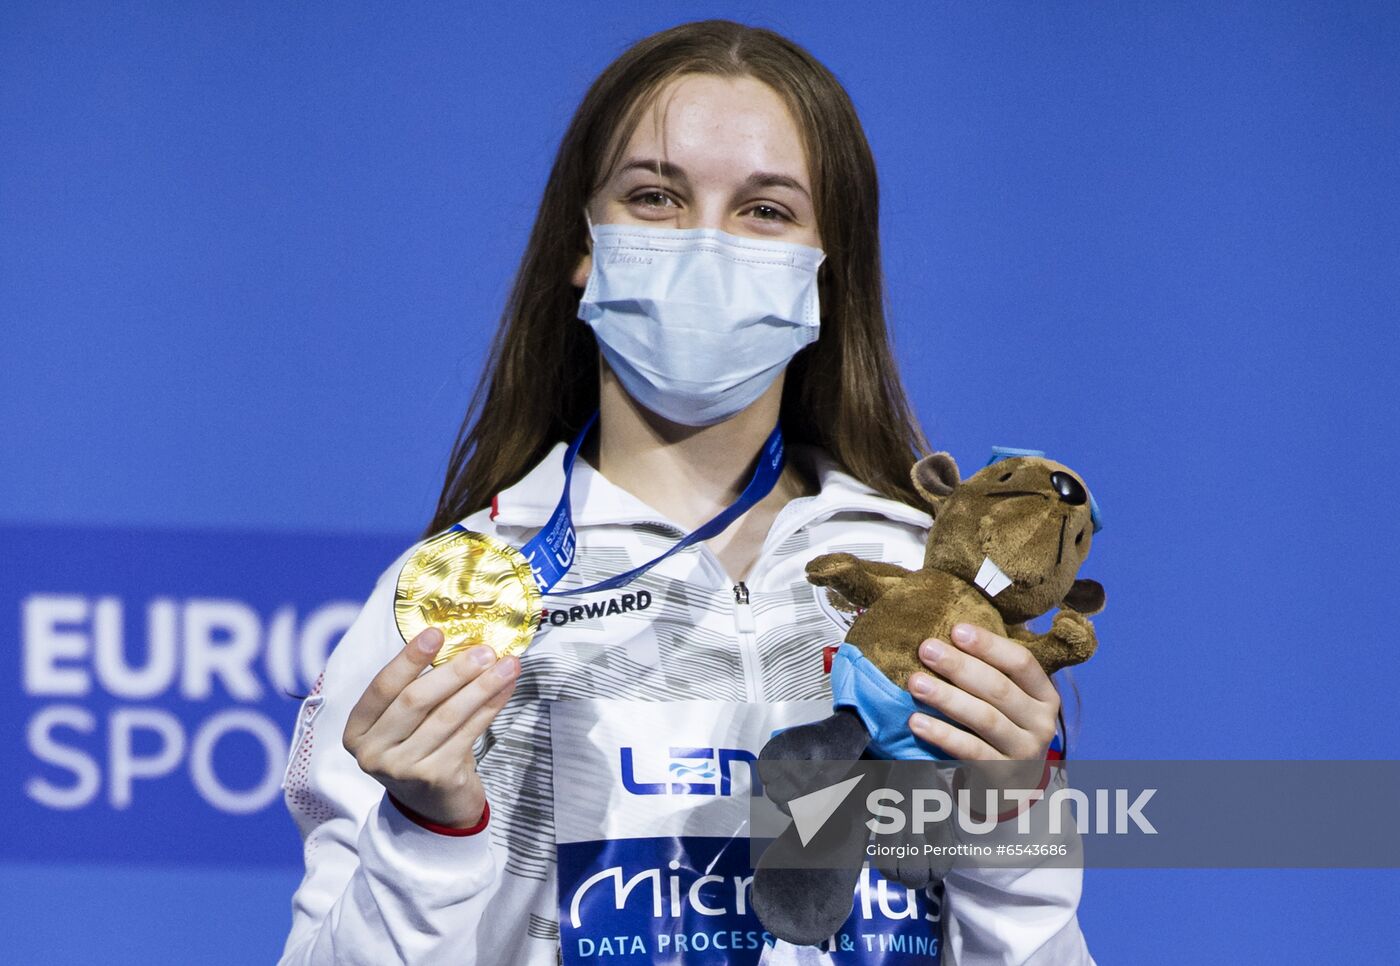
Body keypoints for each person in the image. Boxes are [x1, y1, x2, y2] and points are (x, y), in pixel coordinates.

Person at [279, 19, 1093, 965]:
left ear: (830, 270)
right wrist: (427, 831)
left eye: (766, 211)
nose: (706, 244)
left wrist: (1011, 818)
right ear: (581, 245)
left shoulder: (935, 587)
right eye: (657, 196)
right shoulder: (462, 597)